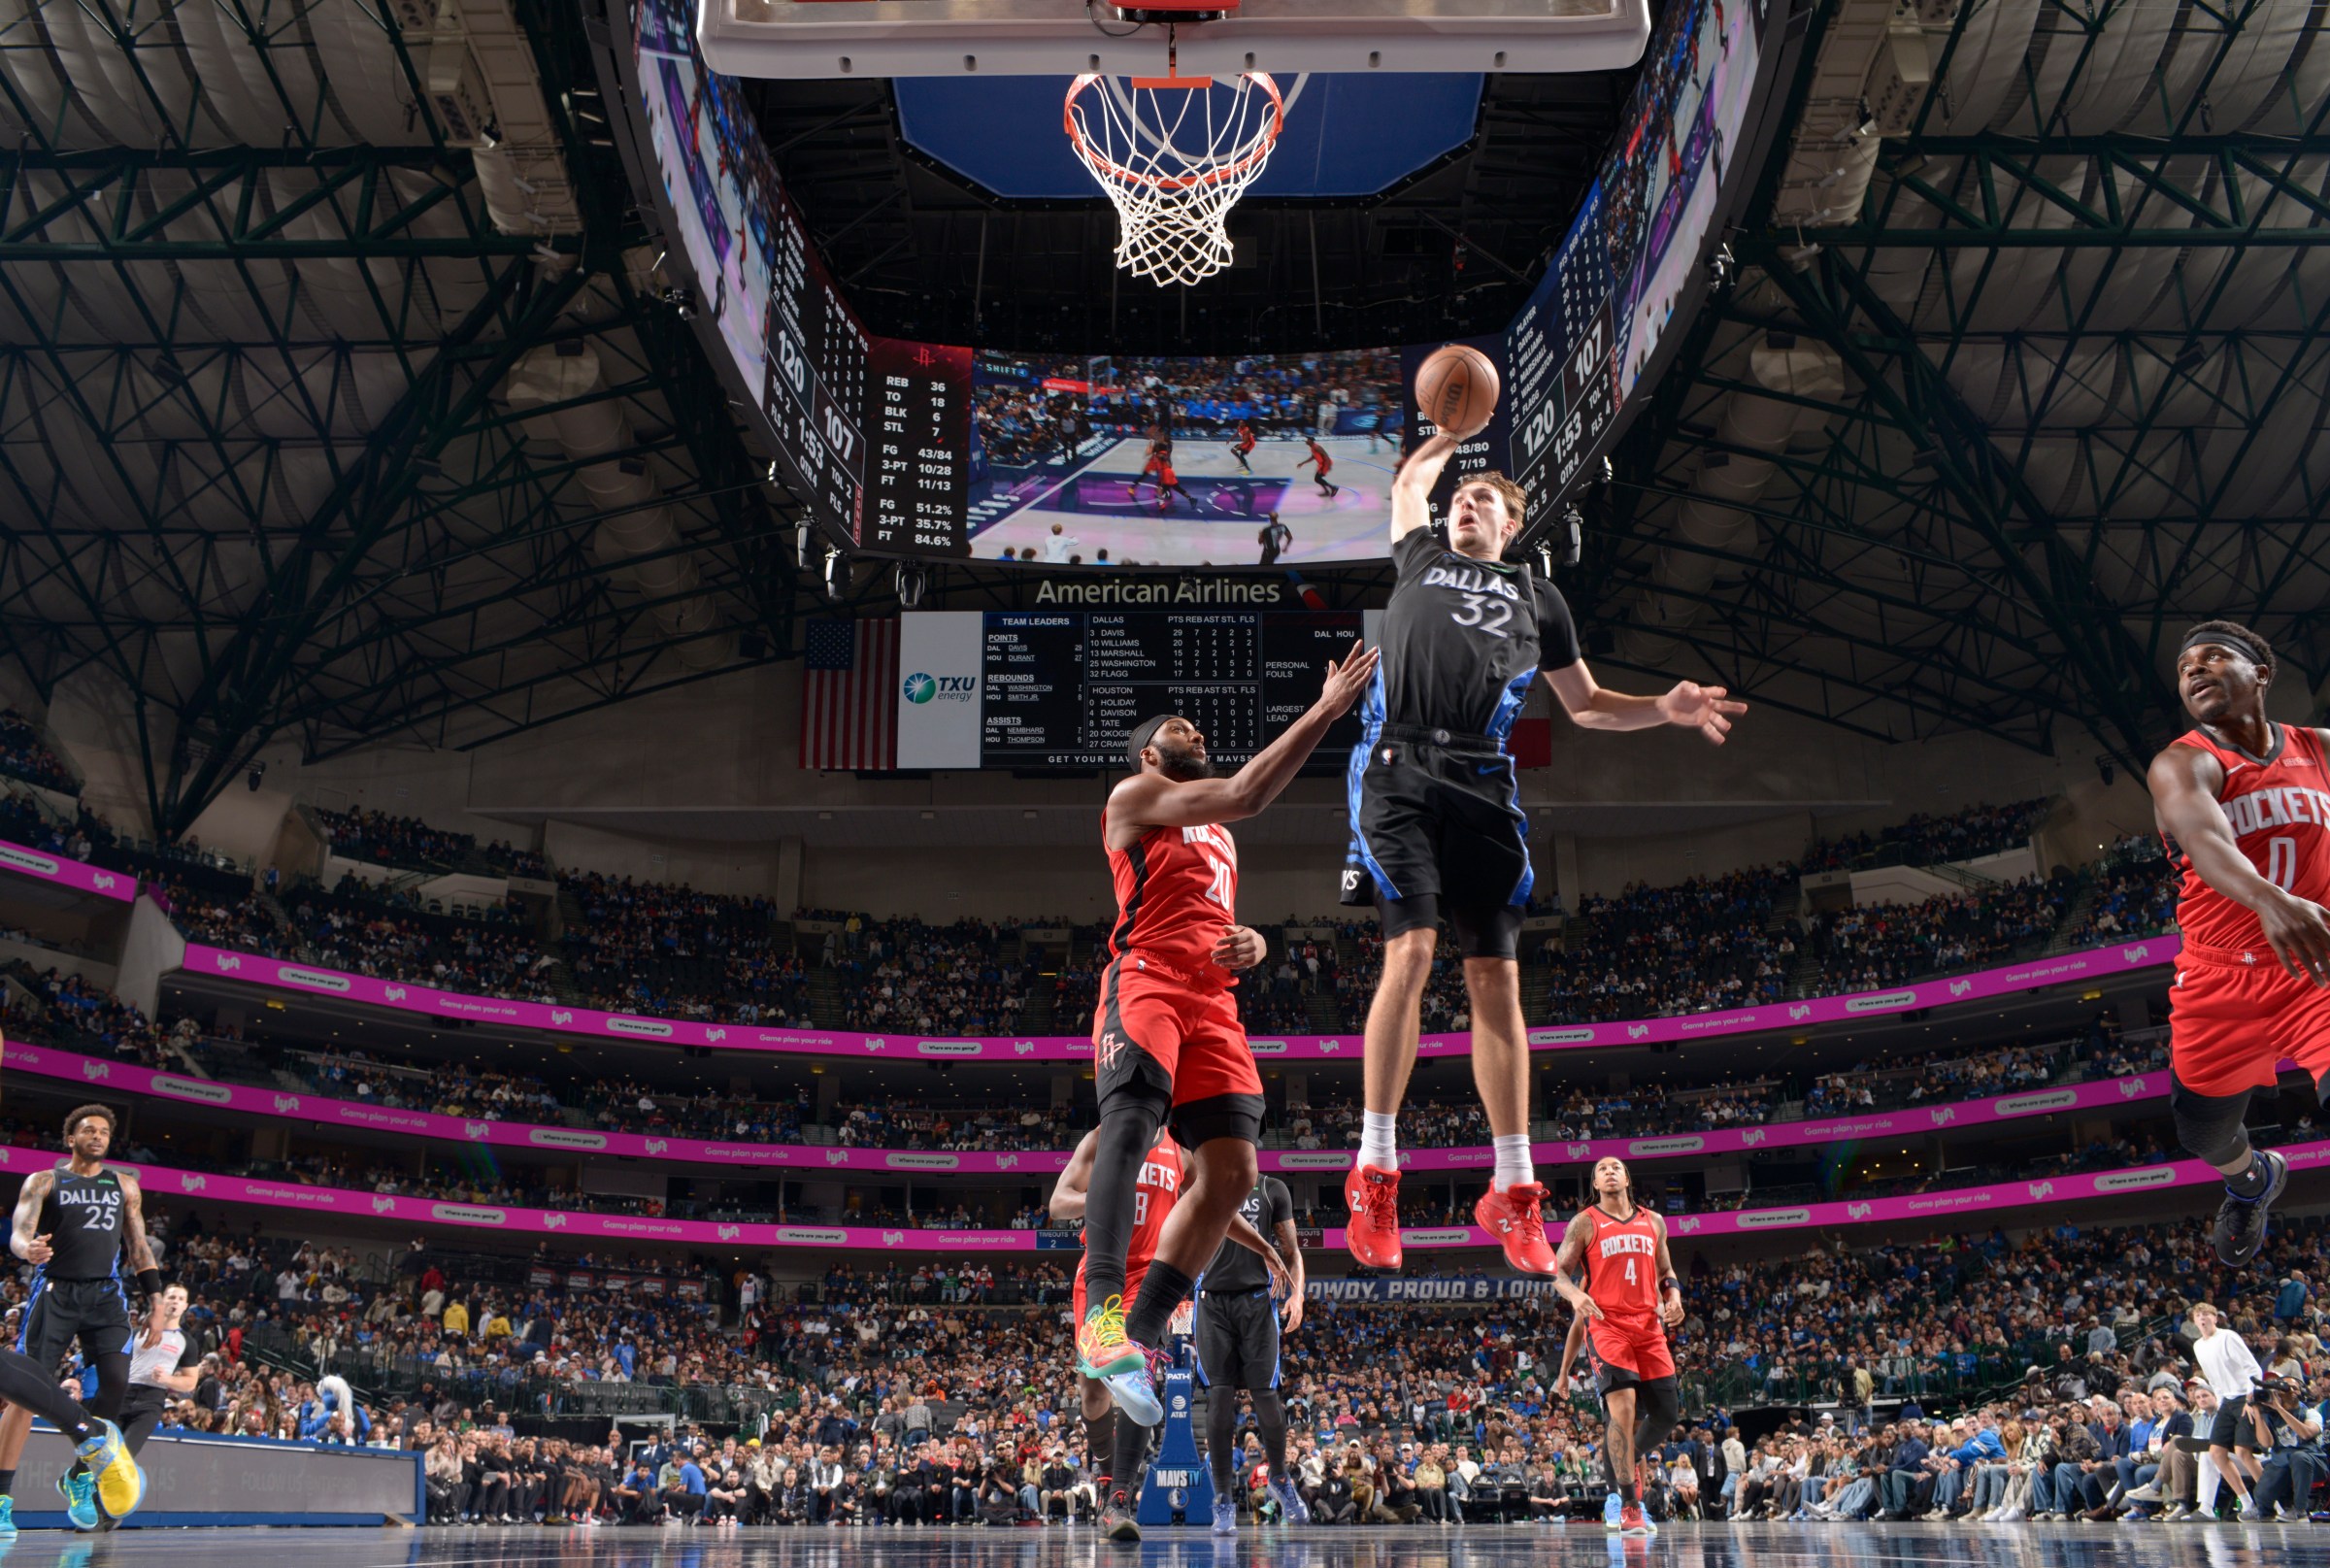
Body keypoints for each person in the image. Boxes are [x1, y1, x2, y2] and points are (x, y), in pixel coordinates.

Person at [1340, 428, 1744, 1275]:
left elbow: (1589, 705)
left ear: (1513, 524)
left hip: (1484, 778)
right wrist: (1447, 433)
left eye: (1483, 499)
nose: (1465, 505)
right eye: (1461, 499)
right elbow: (1411, 482)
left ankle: (1514, 1187)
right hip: (1400, 766)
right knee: (1410, 952)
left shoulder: (1538, 597)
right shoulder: (1417, 555)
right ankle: (1375, 1172)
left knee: (1496, 979)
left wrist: (1662, 708)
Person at [1070, 648, 1378, 1450]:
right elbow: (1246, 790)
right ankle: (1103, 1318)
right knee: (1131, 1130)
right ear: (1149, 753)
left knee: (1236, 1171)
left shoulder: (1217, 837)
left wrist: (1256, 943)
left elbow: (1216, 913)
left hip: (1213, 999)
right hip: (1146, 981)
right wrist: (1325, 709)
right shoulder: (1136, 796)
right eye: (1179, 726)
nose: (1195, 729)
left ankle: (1136, 1334)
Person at [2147, 619, 2330, 1264]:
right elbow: (2209, 845)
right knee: (2203, 1130)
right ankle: (2253, 1181)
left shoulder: (2321, 750)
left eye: (2213, 656)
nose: (2193, 670)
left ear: (2261, 674)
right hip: (2219, 975)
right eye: (2184, 666)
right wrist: (2271, 900)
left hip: (2314, 963)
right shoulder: (2183, 761)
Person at [1051, 1124, 1286, 1543]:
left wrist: (1262, 1246)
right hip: (1102, 1272)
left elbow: (1214, 1206)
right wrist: (1101, 1200)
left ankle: (1120, 1495)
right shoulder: (1102, 1137)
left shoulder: (1180, 1149)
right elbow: (1058, 1202)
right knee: (1092, 1392)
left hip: (1151, 1277)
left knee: (1138, 1379)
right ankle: (1108, 1477)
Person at [0, 1103, 169, 1531]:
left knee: (115, 1381)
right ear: (70, 1138)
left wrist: (157, 1301)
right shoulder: (44, 1180)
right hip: (55, 1291)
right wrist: (26, 1249)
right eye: (88, 1130)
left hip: (105, 1294)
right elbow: (21, 1231)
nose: (97, 1137)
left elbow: (139, 1246)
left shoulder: (125, 1186)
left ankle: (77, 1477)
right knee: (26, 1394)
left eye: (104, 1133)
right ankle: (2, 1497)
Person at [1549, 1157, 1683, 1540]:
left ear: (1627, 1177)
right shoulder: (1585, 1221)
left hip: (1649, 1326)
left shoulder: (1654, 1221)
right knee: (1622, 1411)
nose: (1609, 1171)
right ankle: (1628, 1504)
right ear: (1595, 1182)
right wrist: (1575, 1295)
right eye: (1602, 1169)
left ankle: (1625, 1457)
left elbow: (1665, 1271)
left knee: (1667, 1415)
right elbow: (1557, 1271)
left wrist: (1673, 1295)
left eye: (1616, 1167)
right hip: (1607, 1327)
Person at [1195, 1171, 1309, 1534]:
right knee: (1219, 1400)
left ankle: (1279, 1478)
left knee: (1267, 1400)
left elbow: (1291, 1251)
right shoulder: (1203, 1182)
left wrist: (1297, 1294)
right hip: (1212, 1304)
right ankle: (1223, 1498)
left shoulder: (1271, 1188)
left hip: (1258, 1302)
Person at [2189, 1300, 2267, 1518]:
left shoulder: (2228, 1337)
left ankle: (2272, 1503)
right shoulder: (2198, 1346)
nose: (2203, 1318)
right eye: (2198, 1315)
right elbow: (2214, 1378)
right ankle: (2247, 1503)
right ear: (2194, 1321)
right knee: (2215, 1453)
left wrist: (2251, 1398)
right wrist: (2221, 1401)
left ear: (2215, 1317)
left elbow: (2253, 1369)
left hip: (2245, 1396)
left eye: (2206, 1314)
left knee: (2243, 1452)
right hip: (2226, 1400)